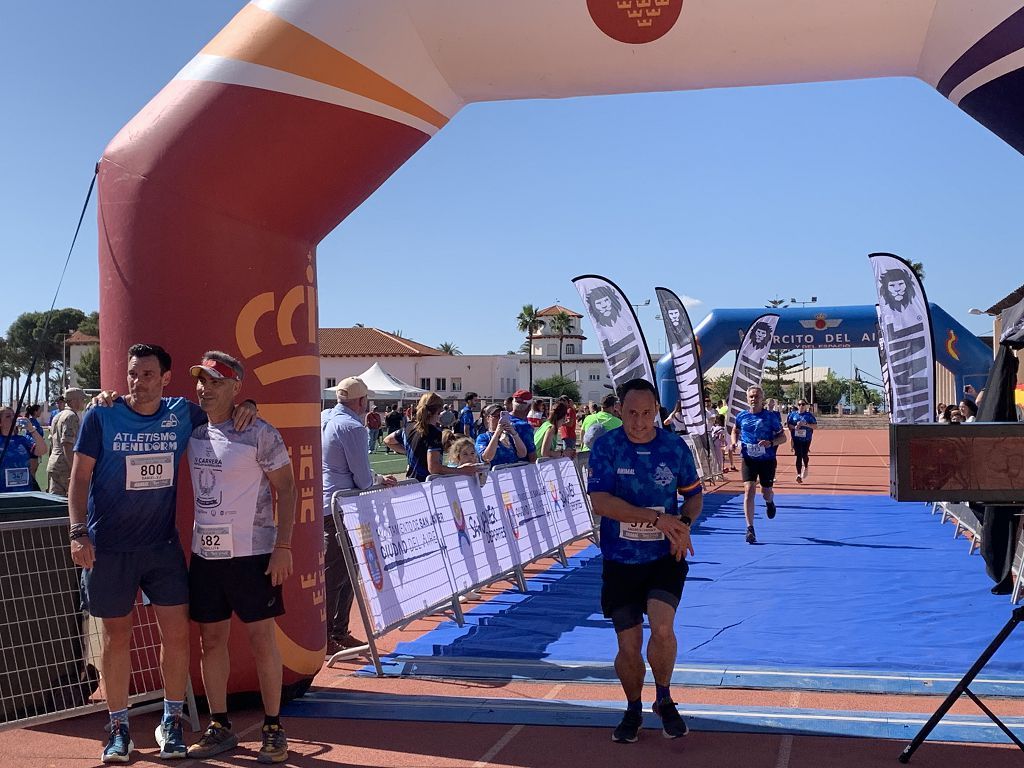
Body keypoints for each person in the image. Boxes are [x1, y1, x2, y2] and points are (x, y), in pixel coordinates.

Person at [67, 343, 255, 762]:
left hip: (161, 548)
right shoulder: (102, 415)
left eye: (149, 374)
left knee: (176, 634)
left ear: (166, 378)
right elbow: (78, 479)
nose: (139, 381)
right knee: (117, 639)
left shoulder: (181, 413)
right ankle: (118, 727)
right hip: (110, 548)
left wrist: (251, 404)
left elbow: (222, 404)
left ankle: (170, 721)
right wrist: (78, 532)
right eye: (133, 373)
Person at [184, 352, 296, 763]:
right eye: (201, 381)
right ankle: (219, 725)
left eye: (215, 382)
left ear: (235, 388)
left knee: (260, 638)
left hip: (253, 554)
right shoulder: (190, 427)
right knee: (211, 640)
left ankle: (273, 726)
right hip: (206, 555)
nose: (204, 388)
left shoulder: (259, 431)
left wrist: (283, 545)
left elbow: (287, 489)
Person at [587, 378, 703, 744]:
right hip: (620, 559)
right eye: (632, 413)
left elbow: (694, 497)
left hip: (662, 556)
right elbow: (601, 503)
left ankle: (665, 698)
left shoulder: (673, 447)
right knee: (628, 645)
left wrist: (682, 526)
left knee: (663, 627)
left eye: (647, 414)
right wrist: (656, 519)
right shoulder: (606, 447)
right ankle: (633, 707)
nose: (639, 422)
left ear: (657, 412)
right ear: (620, 410)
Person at [322, 377, 397, 655]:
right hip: (344, 506)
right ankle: (330, 633)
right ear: (361, 401)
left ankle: (336, 631)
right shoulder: (353, 427)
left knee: (344, 571)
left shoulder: (326, 417)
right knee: (341, 573)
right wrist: (378, 479)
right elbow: (363, 479)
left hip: (328, 503)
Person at [732, 385, 786, 544]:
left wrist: (770, 442)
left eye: (757, 396)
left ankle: (770, 503)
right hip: (748, 459)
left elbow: (783, 438)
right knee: (749, 490)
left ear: (762, 399)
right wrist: (734, 443)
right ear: (747, 399)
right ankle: (750, 529)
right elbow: (735, 430)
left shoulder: (770, 417)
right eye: (751, 397)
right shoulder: (741, 416)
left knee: (766, 492)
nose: (754, 399)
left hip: (767, 460)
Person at [385, 392, 480, 481]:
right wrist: (462, 471)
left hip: (411, 481)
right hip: (426, 483)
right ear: (438, 411)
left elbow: (388, 440)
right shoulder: (434, 433)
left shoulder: (409, 427)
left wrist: (410, 451)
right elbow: (434, 468)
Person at [47, 388, 87, 496]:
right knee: (70, 500)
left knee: (55, 502)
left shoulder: (58, 415)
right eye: (82, 399)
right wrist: (75, 469)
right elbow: (67, 445)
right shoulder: (71, 416)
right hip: (64, 466)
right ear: (74, 401)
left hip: (54, 463)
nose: (84, 401)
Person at [1, 406, 46, 493]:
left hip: (24, 491)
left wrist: (31, 429)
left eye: (13, 415)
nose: (12, 418)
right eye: (8, 416)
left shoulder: (23, 440)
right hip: (3, 493)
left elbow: (42, 450)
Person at [786, 398, 817, 483]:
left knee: (804, 455)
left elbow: (815, 426)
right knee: (798, 456)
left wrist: (806, 424)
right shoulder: (792, 415)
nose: (801, 406)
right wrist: (795, 427)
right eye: (799, 404)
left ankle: (806, 466)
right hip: (796, 438)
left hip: (806, 438)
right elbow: (789, 425)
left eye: (803, 404)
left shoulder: (809, 415)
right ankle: (799, 475)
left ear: (806, 406)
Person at [507, 390, 538, 462]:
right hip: (520, 468)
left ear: (512, 403)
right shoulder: (525, 427)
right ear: (529, 407)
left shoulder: (501, 420)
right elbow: (532, 456)